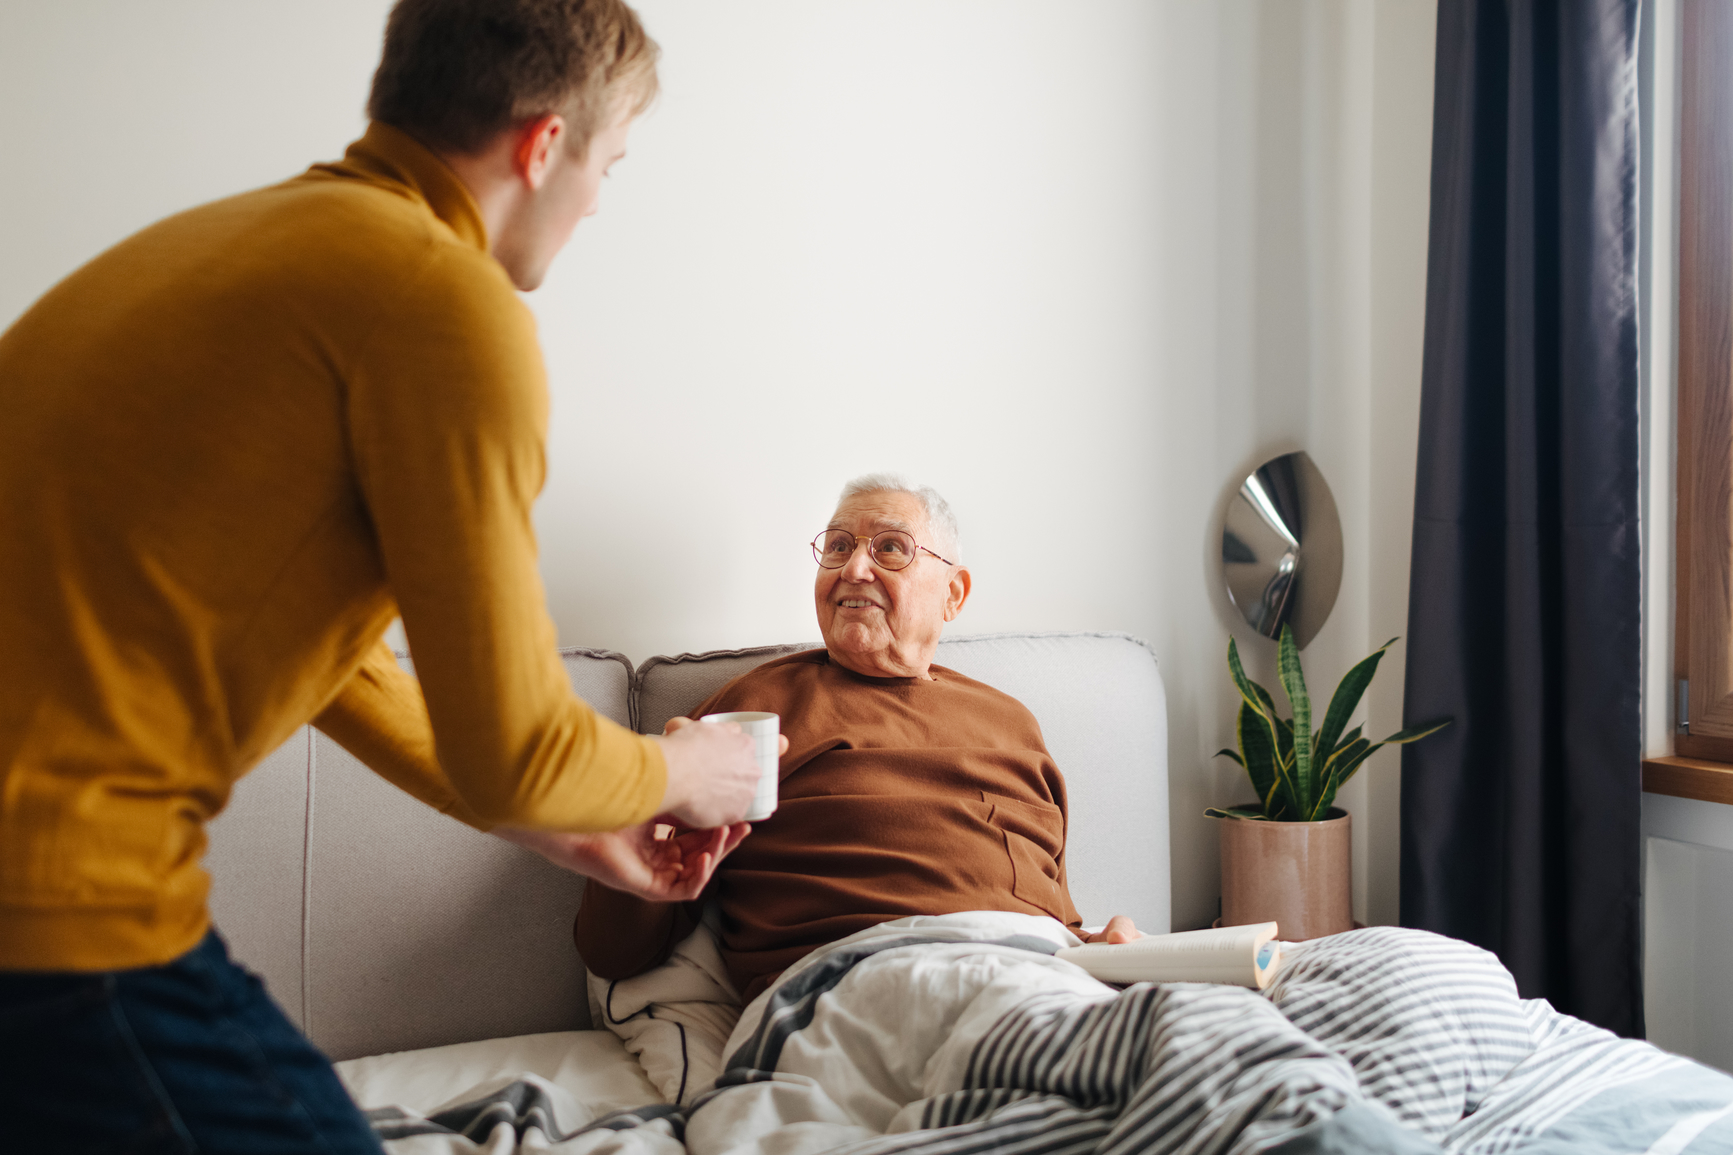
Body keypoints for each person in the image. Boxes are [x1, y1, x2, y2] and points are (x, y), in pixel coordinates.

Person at [0, 1, 760, 1150]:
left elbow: (335, 661)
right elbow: (515, 758)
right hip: (52, 908)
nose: (600, 198)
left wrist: (567, 828)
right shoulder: (443, 305)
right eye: (608, 162)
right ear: (542, 145)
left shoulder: (229, 246)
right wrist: (677, 766)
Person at [574, 474, 1140, 1004]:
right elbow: (616, 951)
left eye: (890, 548)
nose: (854, 569)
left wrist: (1104, 947)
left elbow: (1055, 918)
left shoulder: (1013, 723)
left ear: (953, 594)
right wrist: (649, 814)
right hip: (854, 986)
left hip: (1042, 979)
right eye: (839, 547)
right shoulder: (756, 708)